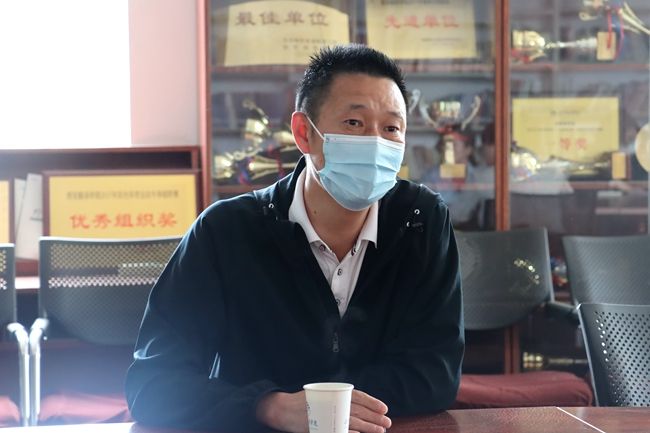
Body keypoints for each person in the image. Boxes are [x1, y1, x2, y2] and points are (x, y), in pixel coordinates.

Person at [125, 44, 464, 433]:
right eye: (354, 123)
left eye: (391, 129)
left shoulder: (420, 220)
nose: (375, 143)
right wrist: (267, 406)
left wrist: (321, 407)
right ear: (304, 133)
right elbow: (153, 385)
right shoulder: (226, 231)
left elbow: (436, 375)